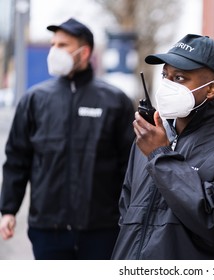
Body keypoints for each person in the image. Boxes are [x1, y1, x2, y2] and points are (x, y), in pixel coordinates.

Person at [111, 34, 214, 260]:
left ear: (211, 89)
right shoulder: (152, 135)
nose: (167, 85)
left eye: (180, 78)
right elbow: (127, 212)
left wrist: (161, 155)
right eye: (166, 75)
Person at [0, 18, 135, 260]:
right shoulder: (35, 100)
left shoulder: (115, 101)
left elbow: (130, 166)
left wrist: (131, 217)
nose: (54, 51)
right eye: (53, 44)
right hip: (47, 229)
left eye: (63, 45)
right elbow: (17, 158)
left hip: (102, 229)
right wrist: (8, 209)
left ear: (84, 52)